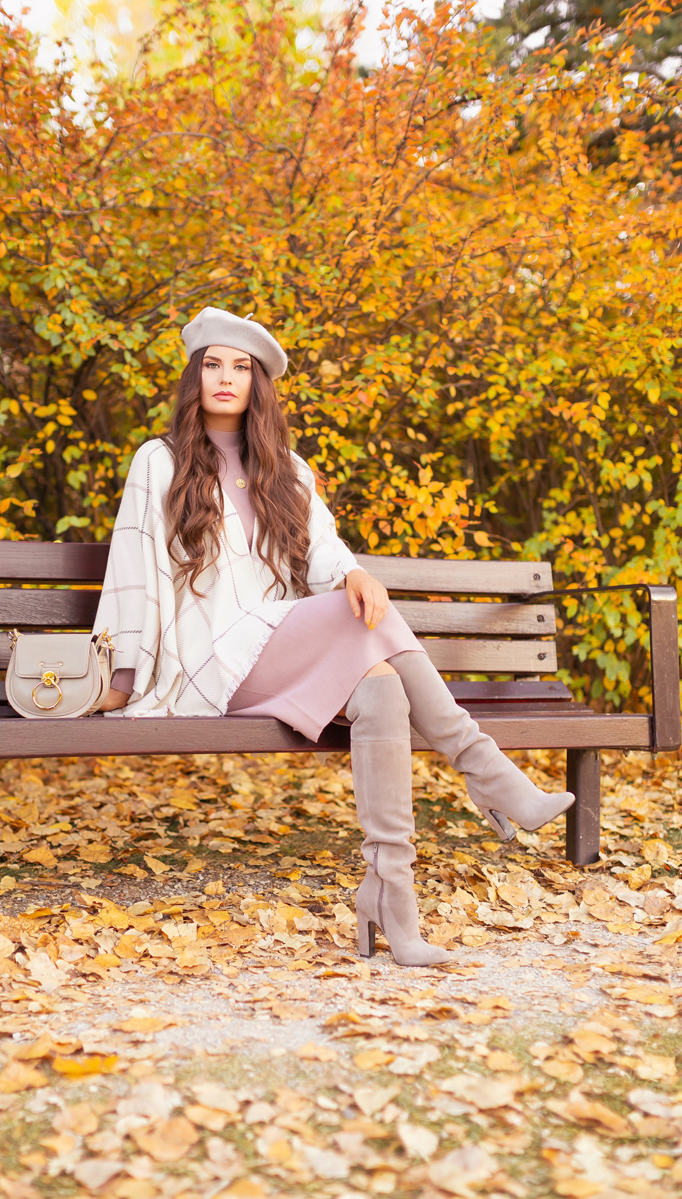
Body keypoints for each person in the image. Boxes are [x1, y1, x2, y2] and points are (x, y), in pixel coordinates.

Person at [93, 307, 574, 967]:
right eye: (212, 365)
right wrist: (122, 677)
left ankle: (391, 899)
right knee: (360, 613)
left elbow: (324, 552)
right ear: (193, 377)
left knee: (381, 693)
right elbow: (131, 565)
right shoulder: (160, 460)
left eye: (241, 368)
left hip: (279, 648)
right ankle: (486, 773)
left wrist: (351, 571)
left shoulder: (287, 469)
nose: (226, 378)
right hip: (208, 659)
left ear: (259, 386)